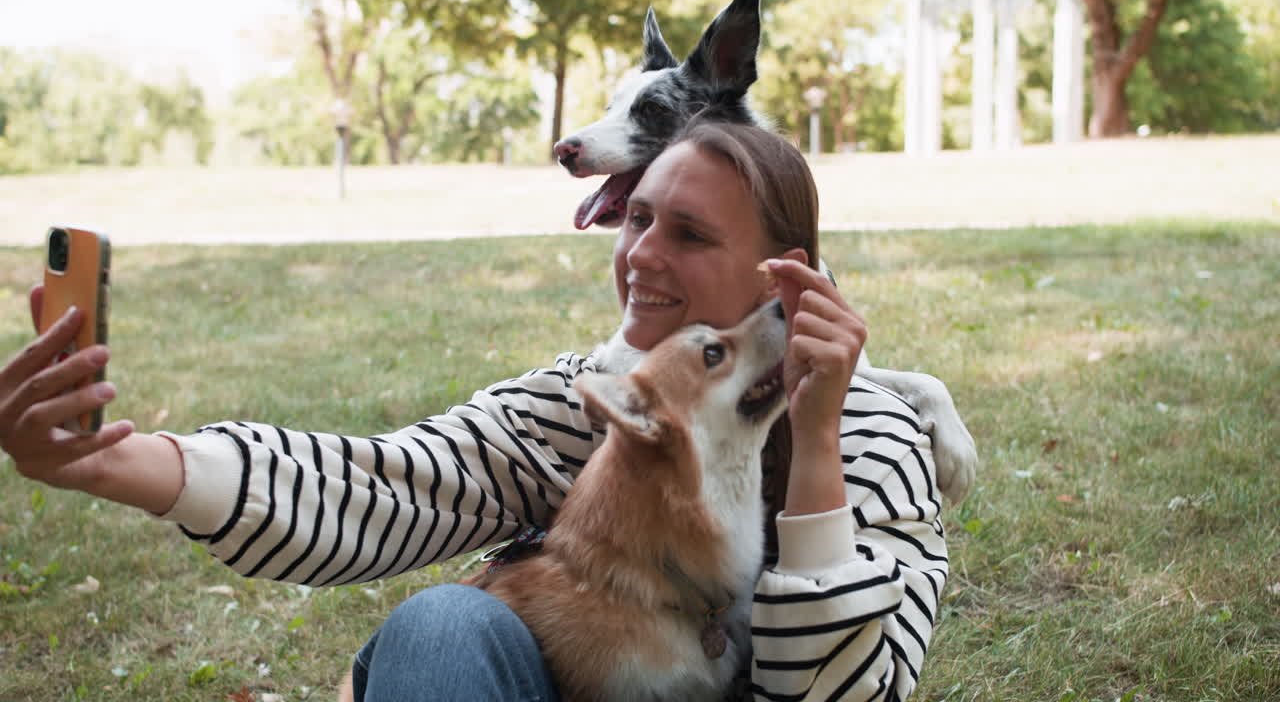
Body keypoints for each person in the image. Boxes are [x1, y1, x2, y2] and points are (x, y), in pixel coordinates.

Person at [1, 121, 959, 701]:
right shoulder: (592, 401)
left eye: (689, 232)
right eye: (637, 219)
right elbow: (383, 488)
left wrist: (820, 438)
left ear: (780, 277)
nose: (639, 255)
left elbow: (845, 694)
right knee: (442, 630)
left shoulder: (881, 445)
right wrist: (114, 466)